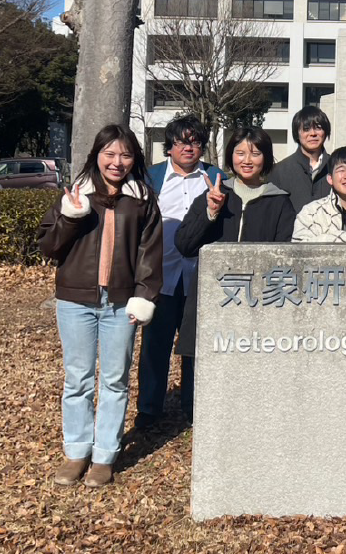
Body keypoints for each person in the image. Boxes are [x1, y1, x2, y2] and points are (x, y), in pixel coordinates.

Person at [37, 124, 163, 488]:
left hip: (121, 303)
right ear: (97, 155)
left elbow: (150, 253)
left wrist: (145, 295)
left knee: (115, 380)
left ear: (134, 159)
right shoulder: (78, 193)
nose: (117, 162)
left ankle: (105, 455)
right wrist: (70, 217)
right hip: (75, 299)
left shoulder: (141, 199)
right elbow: (48, 247)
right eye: (110, 154)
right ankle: (77, 452)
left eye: (125, 155)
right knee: (78, 379)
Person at [173, 125, 295, 401]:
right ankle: (195, 417)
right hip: (212, 299)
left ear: (266, 158)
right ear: (230, 157)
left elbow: (285, 257)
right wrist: (211, 212)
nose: (247, 160)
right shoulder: (216, 194)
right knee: (203, 373)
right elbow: (184, 244)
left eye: (255, 153)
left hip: (256, 303)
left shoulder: (279, 201)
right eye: (240, 153)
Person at [135, 115, 224, 430]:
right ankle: (149, 408)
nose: (189, 147)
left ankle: (193, 407)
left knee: (195, 346)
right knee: (154, 345)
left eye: (195, 141)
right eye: (182, 142)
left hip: (200, 278)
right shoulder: (152, 178)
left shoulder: (215, 177)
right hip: (161, 276)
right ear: (169, 146)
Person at [274, 105, 332, 209]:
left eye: (318, 128)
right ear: (297, 134)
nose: (313, 133)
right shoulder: (279, 171)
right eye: (306, 129)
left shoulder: (336, 167)